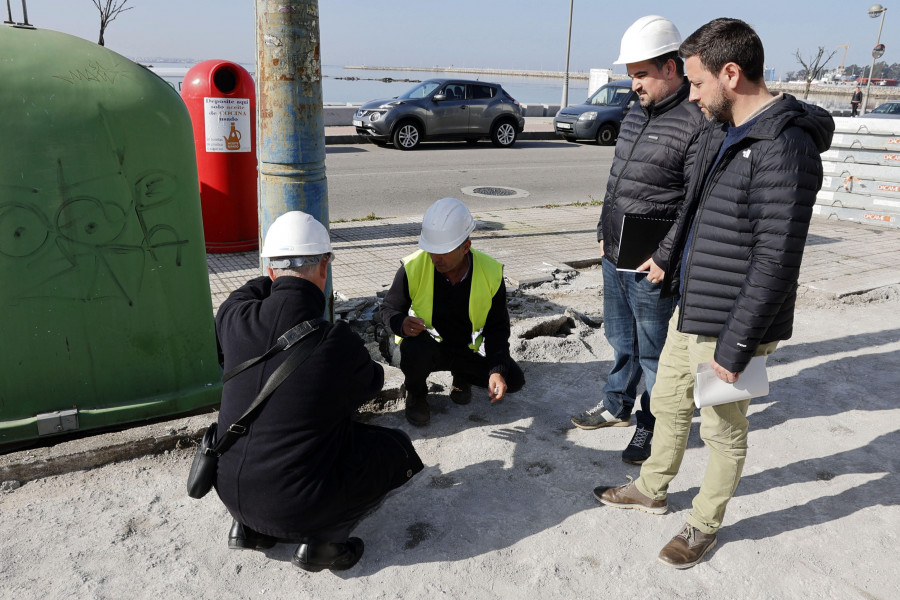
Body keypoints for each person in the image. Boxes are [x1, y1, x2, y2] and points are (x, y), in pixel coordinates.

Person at [594, 18, 833, 569]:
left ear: (732, 73)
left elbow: (776, 260)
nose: (693, 95)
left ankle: (703, 524)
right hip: (695, 305)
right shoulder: (731, 131)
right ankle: (652, 488)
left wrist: (735, 347)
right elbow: (700, 213)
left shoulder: (783, 149)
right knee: (671, 400)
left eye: (698, 83)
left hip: (733, 325)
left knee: (724, 430)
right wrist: (671, 261)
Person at [214, 211, 424, 573]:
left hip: (228, 489)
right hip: (295, 506)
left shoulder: (232, 315)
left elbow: (250, 290)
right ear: (324, 270)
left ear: (269, 271)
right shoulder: (333, 342)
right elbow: (372, 382)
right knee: (394, 450)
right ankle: (325, 543)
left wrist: (282, 274)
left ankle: (251, 530)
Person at [569, 15, 704, 466]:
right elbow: (618, 180)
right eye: (630, 76)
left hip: (653, 264)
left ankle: (652, 421)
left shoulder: (697, 121)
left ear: (672, 67)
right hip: (615, 253)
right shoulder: (634, 112)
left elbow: (694, 202)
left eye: (641, 75)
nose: (634, 86)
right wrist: (602, 233)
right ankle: (616, 404)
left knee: (654, 353)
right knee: (620, 337)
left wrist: (666, 256)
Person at [381, 197, 525, 427]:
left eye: (444, 251)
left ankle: (462, 376)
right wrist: (401, 323)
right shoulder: (413, 266)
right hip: (430, 348)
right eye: (431, 250)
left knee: (514, 379)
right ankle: (416, 394)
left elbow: (498, 328)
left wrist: (497, 370)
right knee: (413, 349)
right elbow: (389, 308)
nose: (435, 258)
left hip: (465, 350)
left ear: (465, 247)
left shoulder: (490, 272)